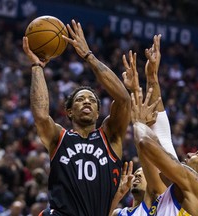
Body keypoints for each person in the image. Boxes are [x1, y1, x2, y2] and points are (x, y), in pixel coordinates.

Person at [22, 19, 131, 216]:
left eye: (92, 100)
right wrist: (37, 67)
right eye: (81, 99)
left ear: (98, 112)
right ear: (70, 111)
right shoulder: (59, 138)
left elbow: (124, 100)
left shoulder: (111, 136)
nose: (87, 102)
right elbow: (40, 115)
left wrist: (88, 56)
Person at [131, 87, 198, 215]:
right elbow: (162, 141)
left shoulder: (197, 186)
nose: (190, 154)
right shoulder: (186, 190)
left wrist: (139, 122)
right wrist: (152, 79)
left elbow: (145, 143)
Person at [110, 34, 177, 216]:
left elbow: (162, 133)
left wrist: (151, 78)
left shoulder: (162, 201)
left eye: (143, 171)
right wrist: (149, 77)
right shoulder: (118, 213)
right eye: (137, 172)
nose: (138, 174)